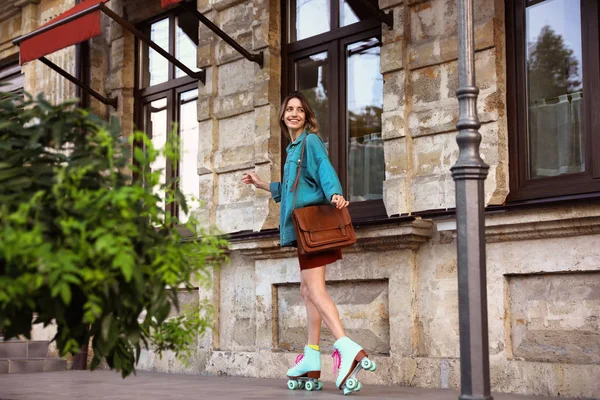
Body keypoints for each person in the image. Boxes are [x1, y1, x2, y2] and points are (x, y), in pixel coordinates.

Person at [242, 92, 376, 395]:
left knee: (315, 290)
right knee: (307, 290)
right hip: (304, 231)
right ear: (282, 115)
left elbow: (325, 171)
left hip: (315, 229)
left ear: (307, 115)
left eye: (299, 110)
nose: (293, 113)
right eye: (289, 109)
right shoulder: (292, 148)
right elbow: (293, 188)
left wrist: (335, 194)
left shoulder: (310, 142)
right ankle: (312, 354)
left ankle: (346, 347)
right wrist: (263, 184)